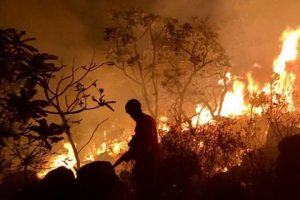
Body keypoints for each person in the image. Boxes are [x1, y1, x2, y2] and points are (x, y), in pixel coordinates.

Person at [114, 99, 159, 199]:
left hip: (147, 160)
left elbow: (145, 143)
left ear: (135, 110)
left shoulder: (142, 123)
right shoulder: (148, 119)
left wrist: (134, 152)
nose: (131, 116)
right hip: (153, 157)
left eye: (131, 113)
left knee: (143, 186)